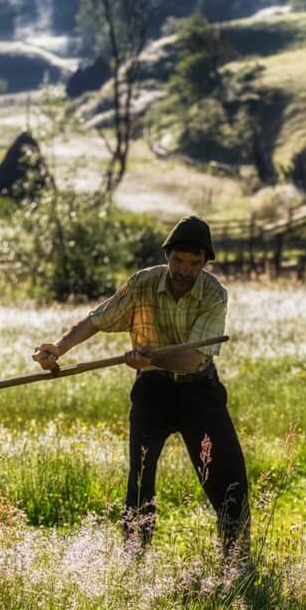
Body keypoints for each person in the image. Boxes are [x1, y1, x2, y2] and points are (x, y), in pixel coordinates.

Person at [32, 215, 250, 564]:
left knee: (227, 475)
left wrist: (149, 360)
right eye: (178, 260)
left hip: (199, 391)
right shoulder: (143, 283)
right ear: (167, 256)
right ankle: (134, 557)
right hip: (153, 393)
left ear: (205, 264)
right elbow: (97, 319)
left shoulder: (213, 294)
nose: (184, 270)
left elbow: (193, 359)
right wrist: (58, 348)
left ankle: (236, 559)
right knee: (140, 479)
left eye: (195, 263)